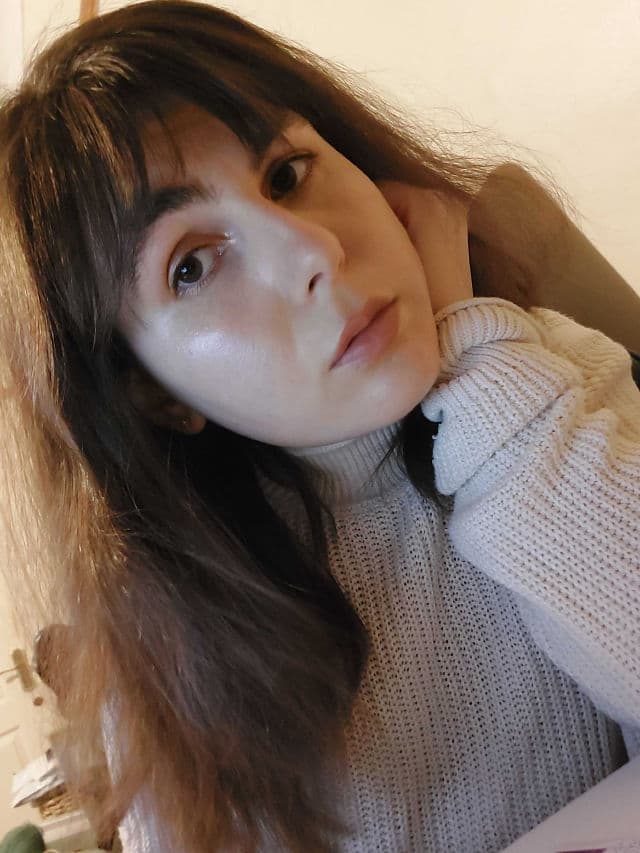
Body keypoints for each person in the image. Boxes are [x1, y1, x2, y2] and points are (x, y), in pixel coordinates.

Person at [0, 2, 638, 851]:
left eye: (287, 174)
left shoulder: (548, 373)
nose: (313, 251)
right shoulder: (161, 656)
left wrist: (477, 367)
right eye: (191, 265)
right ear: (151, 394)